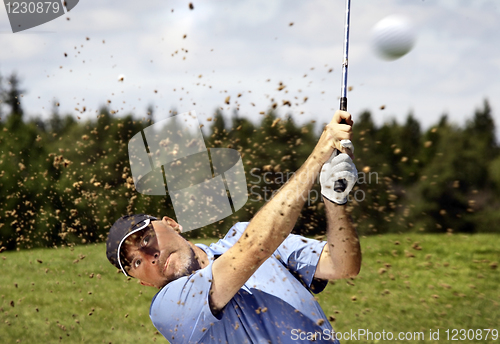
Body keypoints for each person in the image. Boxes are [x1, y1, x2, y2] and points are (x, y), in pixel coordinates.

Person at [106, 110, 361, 343]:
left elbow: (343, 265)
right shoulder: (167, 308)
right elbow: (255, 248)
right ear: (144, 284)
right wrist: (319, 157)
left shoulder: (241, 234)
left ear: (171, 224)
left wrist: (334, 200)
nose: (149, 257)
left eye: (145, 240)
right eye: (135, 263)